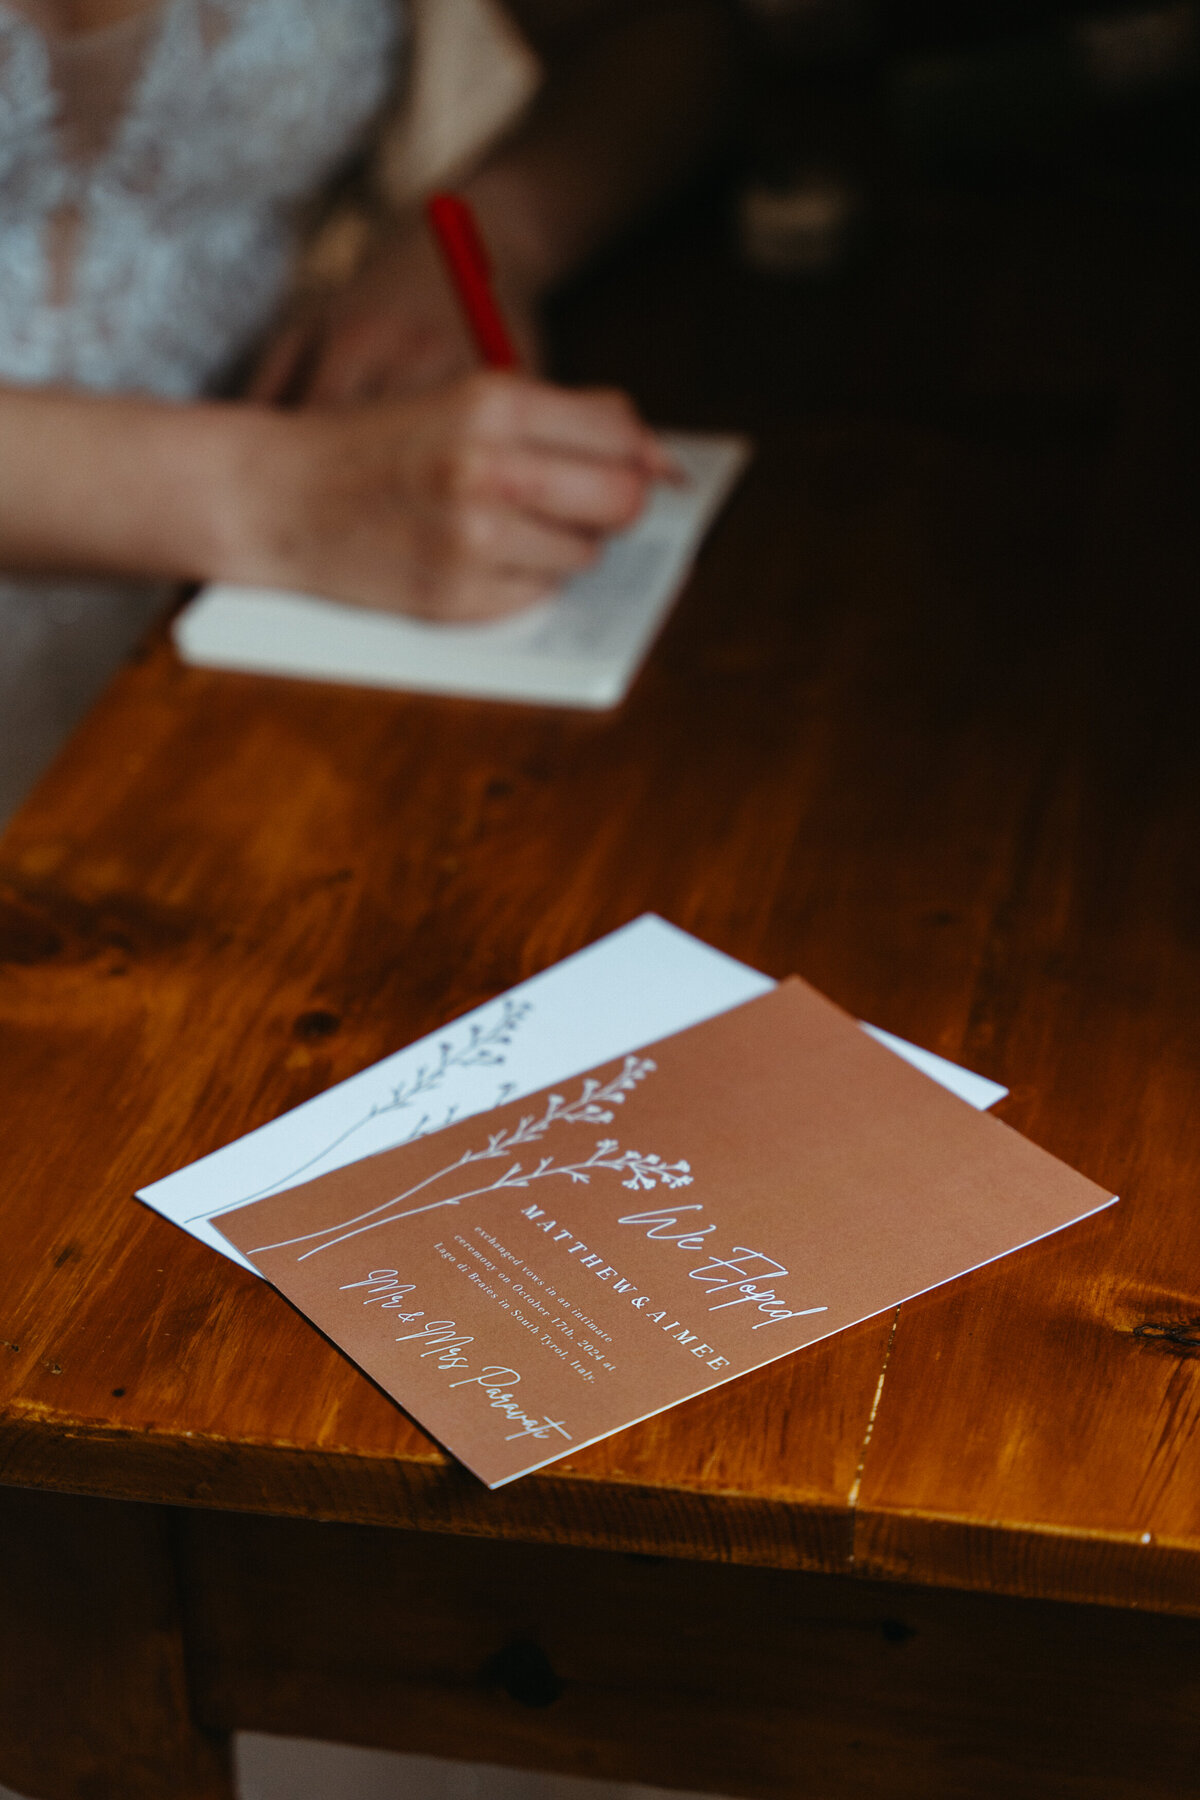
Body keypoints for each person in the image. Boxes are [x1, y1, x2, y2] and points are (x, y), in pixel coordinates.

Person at [0, 0, 735, 821]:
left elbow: (663, 34)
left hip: (247, 637)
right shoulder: (297, 497)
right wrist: (276, 498)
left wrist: (489, 232)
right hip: (268, 516)